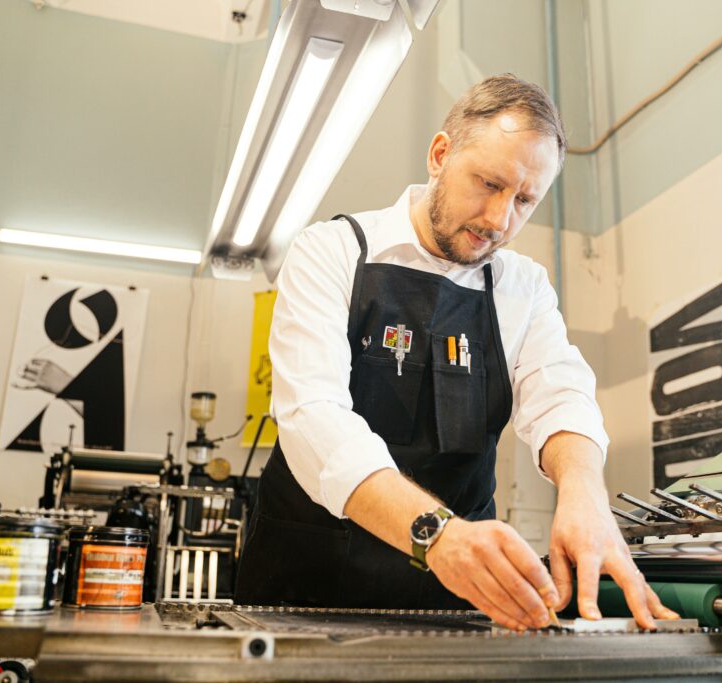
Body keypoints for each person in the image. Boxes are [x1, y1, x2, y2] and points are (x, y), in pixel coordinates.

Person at [235, 74, 678, 631]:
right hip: (305, 590)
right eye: (489, 183)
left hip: (453, 597)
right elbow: (313, 418)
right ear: (440, 155)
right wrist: (437, 535)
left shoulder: (522, 286)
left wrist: (584, 491)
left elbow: (560, 394)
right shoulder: (333, 251)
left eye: (524, 200)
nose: (499, 220)